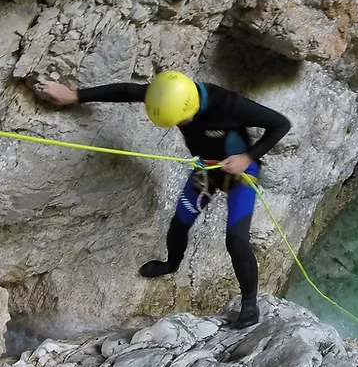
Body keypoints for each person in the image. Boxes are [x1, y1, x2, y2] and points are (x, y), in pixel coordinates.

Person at [35, 71, 291, 329]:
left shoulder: (227, 104)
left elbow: (280, 123)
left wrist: (247, 158)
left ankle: (250, 304)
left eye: (182, 121)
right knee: (179, 224)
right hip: (206, 170)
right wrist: (73, 96)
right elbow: (125, 91)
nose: (180, 125)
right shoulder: (167, 93)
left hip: (241, 173)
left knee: (235, 239)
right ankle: (171, 264)